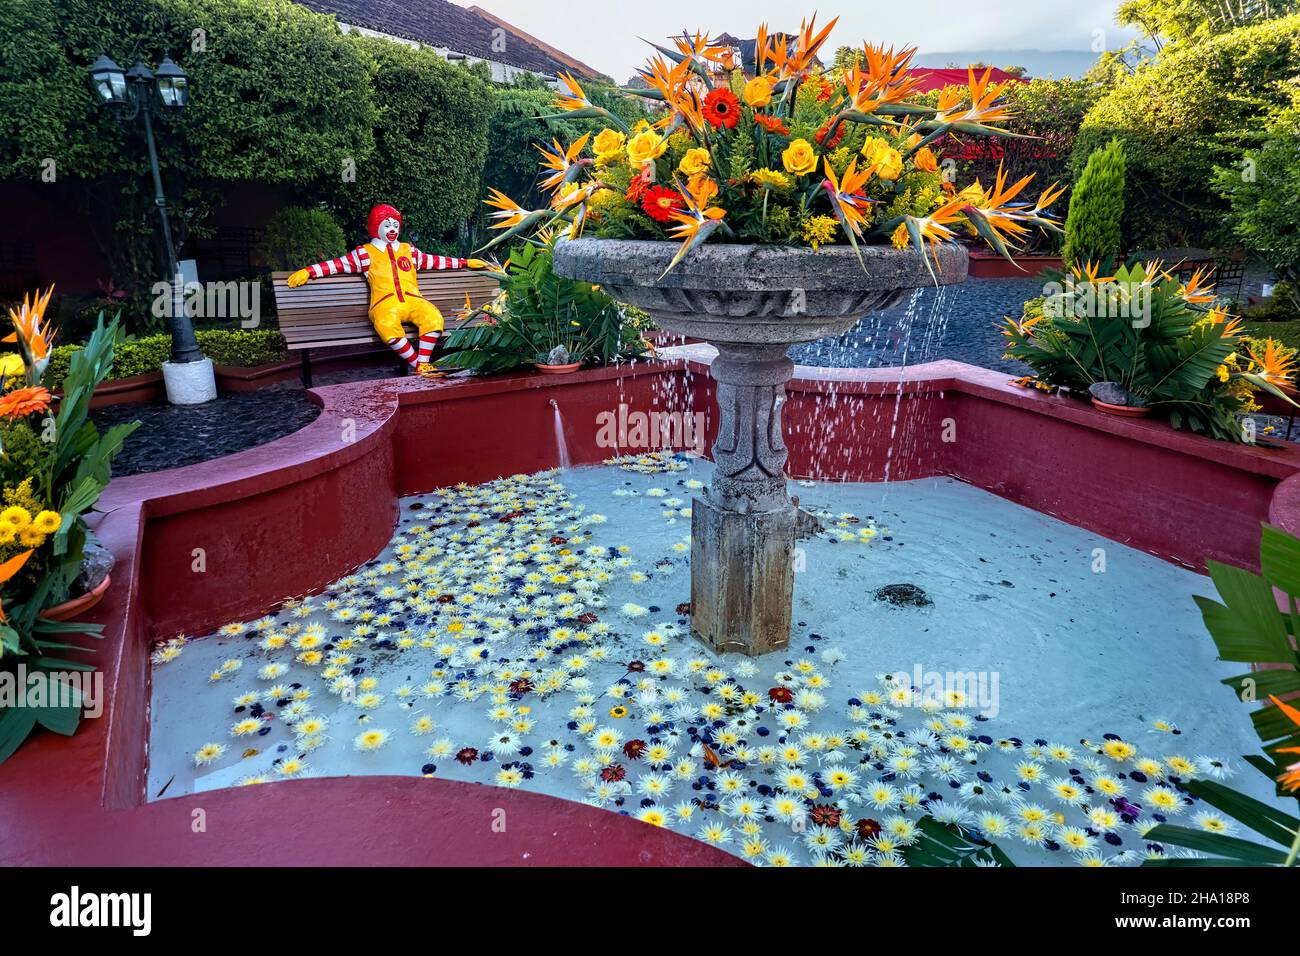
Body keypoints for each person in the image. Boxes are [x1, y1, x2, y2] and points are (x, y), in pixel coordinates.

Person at [287, 204, 488, 376]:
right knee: (386, 324)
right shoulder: (364, 253)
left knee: (433, 317)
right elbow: (336, 265)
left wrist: (465, 262)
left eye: (395, 225)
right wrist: (309, 271)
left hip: (413, 300)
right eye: (387, 225)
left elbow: (436, 261)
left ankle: (423, 364)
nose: (392, 229)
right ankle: (420, 365)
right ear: (376, 227)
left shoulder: (409, 250)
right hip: (385, 304)